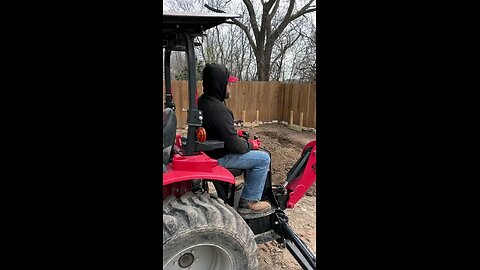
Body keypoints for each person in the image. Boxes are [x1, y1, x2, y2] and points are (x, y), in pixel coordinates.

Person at [198, 63, 271, 212]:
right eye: (228, 84)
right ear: (220, 84)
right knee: (263, 158)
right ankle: (249, 201)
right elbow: (236, 147)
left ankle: (231, 184)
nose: (230, 88)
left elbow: (213, 129)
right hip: (218, 158)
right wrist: (251, 145)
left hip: (207, 153)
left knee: (251, 153)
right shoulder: (219, 109)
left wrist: (234, 134)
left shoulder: (203, 101)